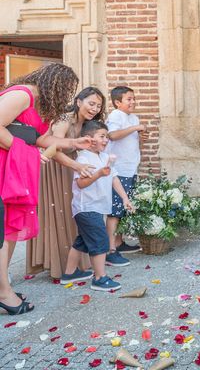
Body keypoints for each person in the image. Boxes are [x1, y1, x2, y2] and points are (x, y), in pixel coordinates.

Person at [0, 63, 92, 315]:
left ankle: (2, 287)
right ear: (54, 84)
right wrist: (24, 153)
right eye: (66, 88)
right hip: (2, 168)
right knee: (0, 232)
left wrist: (73, 141)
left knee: (8, 230)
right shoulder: (22, 95)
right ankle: (4, 293)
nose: (66, 95)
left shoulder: (42, 106)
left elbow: (40, 139)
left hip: (12, 170)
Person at [27, 87, 106, 280]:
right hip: (57, 169)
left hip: (75, 171)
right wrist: (76, 166)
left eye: (98, 106)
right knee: (61, 214)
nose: (95, 108)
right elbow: (52, 146)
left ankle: (73, 266)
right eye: (91, 103)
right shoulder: (65, 119)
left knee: (75, 216)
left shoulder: (87, 124)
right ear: (79, 101)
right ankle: (60, 266)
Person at [63, 120, 133, 291]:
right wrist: (99, 174)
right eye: (102, 136)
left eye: (106, 137)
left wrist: (125, 198)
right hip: (86, 207)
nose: (105, 140)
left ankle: (69, 274)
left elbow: (114, 178)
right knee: (100, 241)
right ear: (89, 138)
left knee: (82, 241)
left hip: (97, 207)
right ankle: (100, 278)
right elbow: (80, 183)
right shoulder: (84, 157)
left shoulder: (104, 157)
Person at [105, 86, 145, 266]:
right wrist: (135, 127)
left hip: (130, 168)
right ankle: (110, 250)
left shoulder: (133, 117)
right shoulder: (115, 116)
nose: (133, 102)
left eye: (134, 98)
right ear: (117, 102)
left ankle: (119, 243)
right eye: (129, 99)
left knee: (122, 208)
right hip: (119, 170)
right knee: (114, 210)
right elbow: (112, 135)